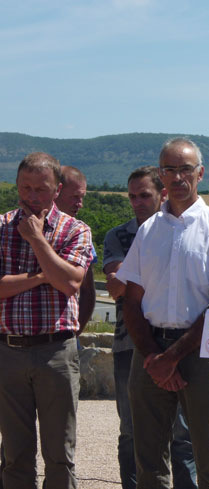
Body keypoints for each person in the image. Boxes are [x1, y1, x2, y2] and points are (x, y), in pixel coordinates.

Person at [117, 138, 209, 489]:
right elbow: (132, 301)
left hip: (202, 353)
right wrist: (155, 356)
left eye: (185, 169)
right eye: (169, 169)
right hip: (150, 349)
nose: (177, 177)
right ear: (160, 175)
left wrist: (171, 357)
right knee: (150, 463)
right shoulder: (148, 231)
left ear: (199, 173)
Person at [0, 152, 93, 489]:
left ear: (57, 190)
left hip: (56, 353)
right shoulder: (1, 226)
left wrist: (38, 240)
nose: (32, 196)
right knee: (14, 455)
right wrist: (42, 276)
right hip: (8, 353)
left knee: (59, 454)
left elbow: (70, 282)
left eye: (41, 189)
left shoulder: (75, 230)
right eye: (25, 187)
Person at [103, 166, 198, 489]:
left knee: (183, 434)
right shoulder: (118, 235)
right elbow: (116, 288)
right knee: (132, 431)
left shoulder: (184, 231)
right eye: (131, 196)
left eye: (145, 195)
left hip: (176, 343)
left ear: (163, 194)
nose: (137, 203)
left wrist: (140, 277)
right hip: (129, 345)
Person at [55, 166, 96, 333]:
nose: (80, 204)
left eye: (82, 197)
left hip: (61, 338)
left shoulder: (80, 232)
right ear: (56, 192)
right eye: (75, 197)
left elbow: (87, 291)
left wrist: (74, 334)